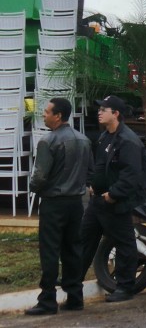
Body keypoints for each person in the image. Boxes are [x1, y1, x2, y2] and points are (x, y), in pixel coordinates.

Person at [25, 98, 92, 316]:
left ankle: (47, 300)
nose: (43, 115)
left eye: (46, 112)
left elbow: (39, 177)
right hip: (75, 203)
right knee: (73, 249)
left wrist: (34, 187)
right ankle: (75, 296)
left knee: (50, 251)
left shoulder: (48, 141)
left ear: (58, 116)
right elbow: (89, 171)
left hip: (54, 202)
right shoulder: (84, 140)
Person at [79, 95, 146, 304]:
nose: (99, 112)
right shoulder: (105, 137)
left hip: (115, 201)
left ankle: (125, 287)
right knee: (84, 240)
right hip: (98, 200)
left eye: (104, 109)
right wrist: (92, 184)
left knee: (124, 244)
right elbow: (100, 166)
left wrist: (113, 195)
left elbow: (132, 175)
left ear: (116, 113)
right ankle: (72, 279)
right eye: (99, 109)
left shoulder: (128, 141)